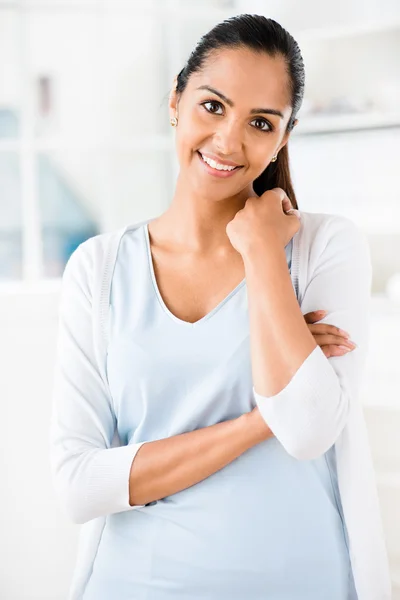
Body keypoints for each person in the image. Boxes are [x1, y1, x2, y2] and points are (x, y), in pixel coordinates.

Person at [49, 14, 391, 600]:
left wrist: (261, 252)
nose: (229, 140)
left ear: (284, 136)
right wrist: (260, 422)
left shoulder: (323, 249)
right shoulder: (99, 268)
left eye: (260, 122)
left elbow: (309, 431)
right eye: (213, 106)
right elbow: (79, 485)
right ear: (176, 100)